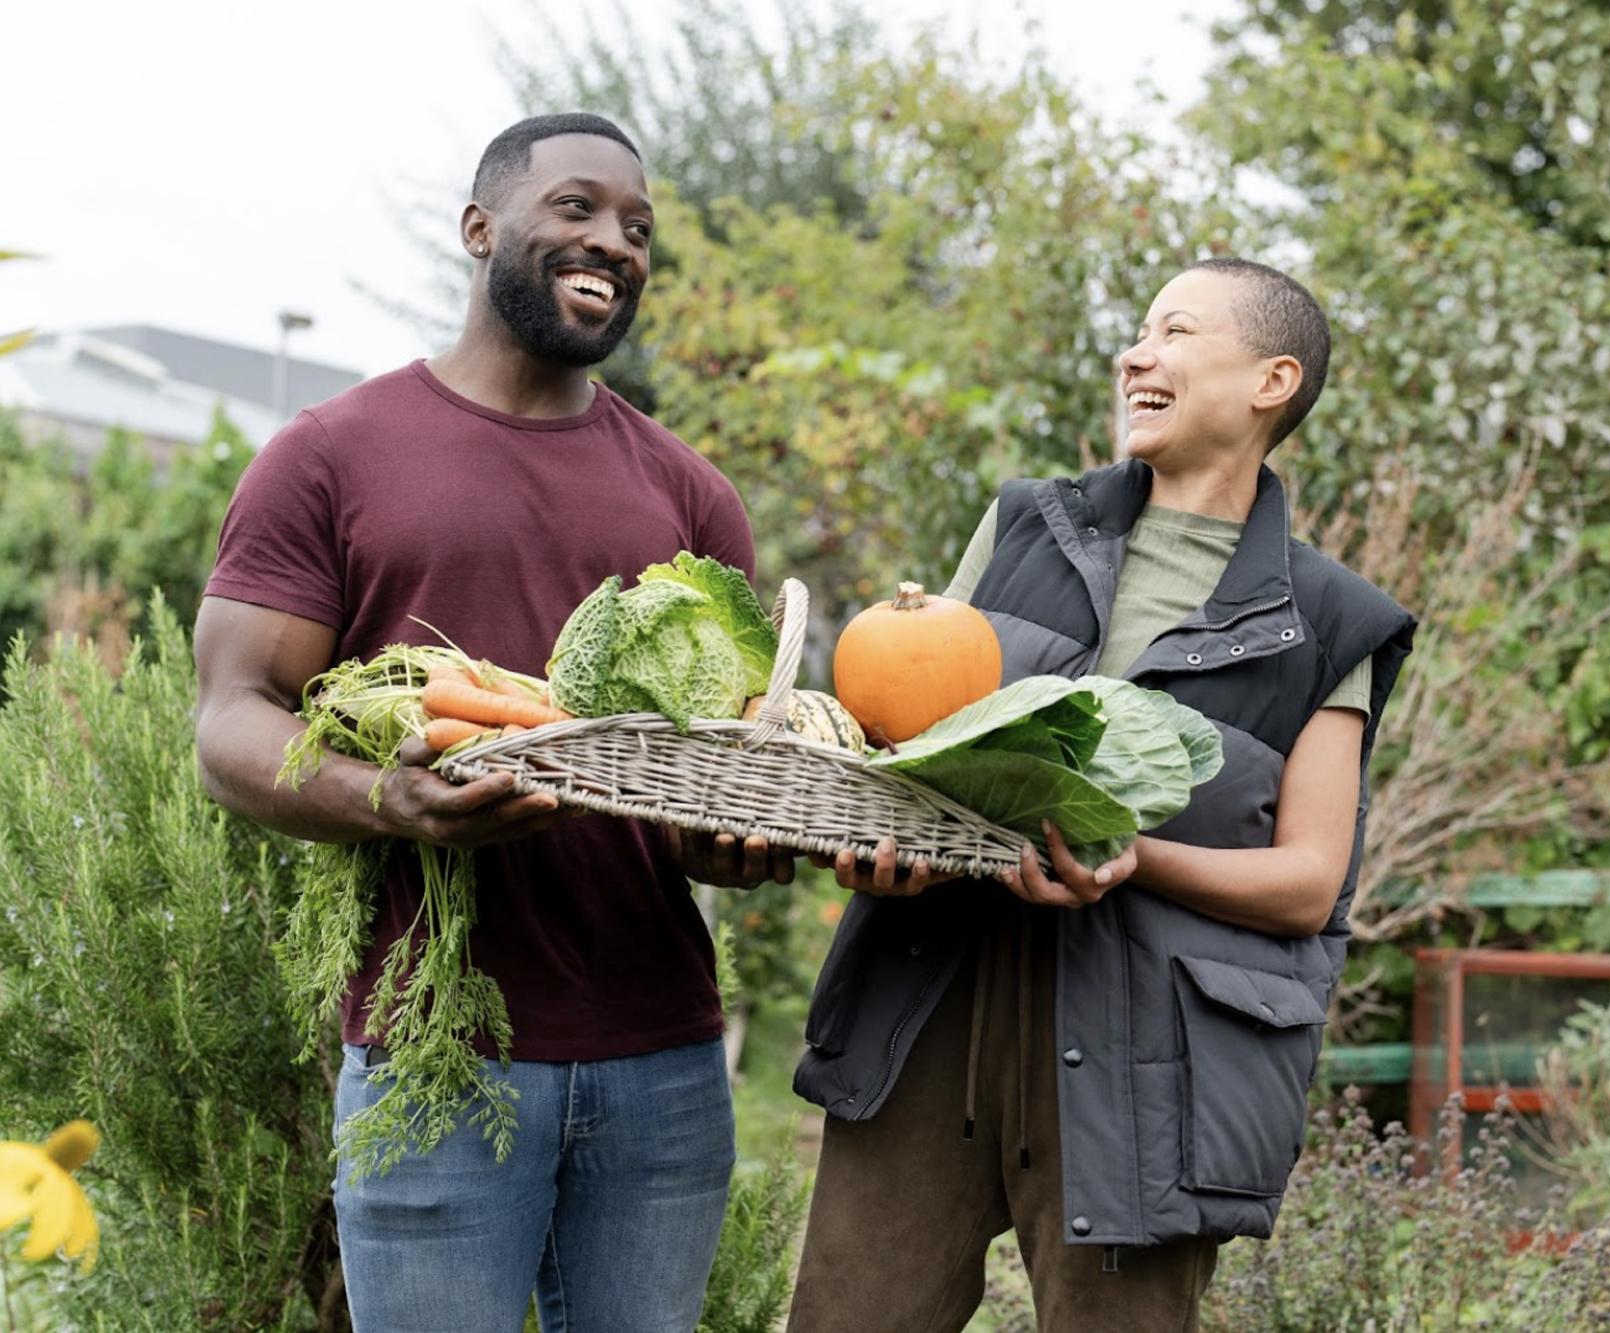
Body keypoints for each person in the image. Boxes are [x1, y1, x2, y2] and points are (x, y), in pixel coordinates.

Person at [192, 113, 786, 1333]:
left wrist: (734, 843)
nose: (612, 241)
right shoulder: (328, 457)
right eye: (576, 207)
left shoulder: (687, 492)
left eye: (636, 227)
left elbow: (710, 774)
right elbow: (230, 722)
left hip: (663, 1064)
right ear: (480, 228)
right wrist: (386, 802)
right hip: (433, 1053)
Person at [786, 258, 1418, 1332]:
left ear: (1271, 380)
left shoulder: (1329, 618)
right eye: (1137, 334)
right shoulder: (1025, 524)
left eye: (1175, 332)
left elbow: (1308, 882)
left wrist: (1135, 857)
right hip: (931, 997)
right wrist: (877, 839)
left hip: (1150, 1062)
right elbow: (915, 730)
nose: (1136, 354)